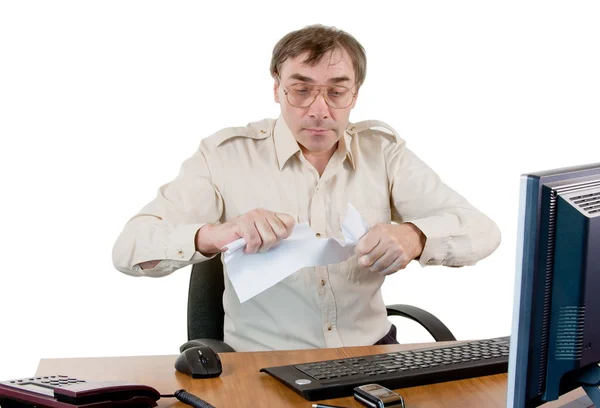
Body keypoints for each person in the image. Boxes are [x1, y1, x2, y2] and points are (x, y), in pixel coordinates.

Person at [112, 24, 501, 352]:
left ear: (356, 94)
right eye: (301, 90)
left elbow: (483, 230)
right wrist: (216, 235)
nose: (319, 109)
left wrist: (415, 236)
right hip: (260, 367)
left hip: (372, 357)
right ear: (277, 88)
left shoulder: (383, 153)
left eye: (336, 91)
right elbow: (130, 248)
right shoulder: (224, 156)